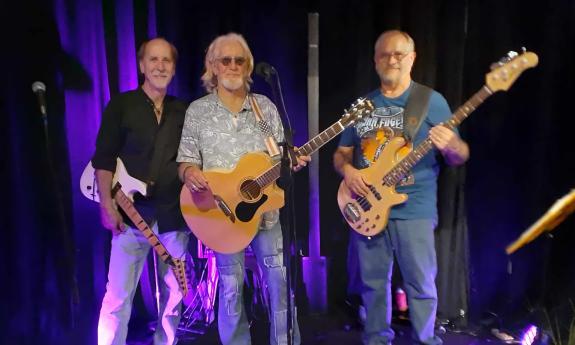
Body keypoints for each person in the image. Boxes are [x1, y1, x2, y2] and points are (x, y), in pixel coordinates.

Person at [333, 30, 470, 345]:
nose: (391, 60)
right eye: (384, 54)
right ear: (375, 60)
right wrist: (349, 170)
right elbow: (341, 154)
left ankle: (425, 340)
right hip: (367, 205)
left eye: (398, 54)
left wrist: (451, 146)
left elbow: (459, 156)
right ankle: (376, 339)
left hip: (415, 207)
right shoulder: (362, 106)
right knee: (373, 284)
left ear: (412, 59)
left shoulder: (430, 102)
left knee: (420, 285)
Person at [177, 32, 309, 345]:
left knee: (279, 284)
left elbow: (279, 156)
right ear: (213, 66)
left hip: (266, 215)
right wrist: (190, 173)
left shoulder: (264, 108)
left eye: (240, 60)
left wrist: (292, 162)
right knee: (230, 288)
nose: (233, 66)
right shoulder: (198, 111)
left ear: (248, 67)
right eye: (226, 60)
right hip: (222, 216)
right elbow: (184, 162)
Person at [93, 37, 190, 345]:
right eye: (154, 59)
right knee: (117, 299)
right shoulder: (122, 105)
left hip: (174, 217)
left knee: (172, 301)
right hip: (130, 218)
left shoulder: (183, 111)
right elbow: (104, 157)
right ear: (141, 65)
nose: (160, 66)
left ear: (174, 68)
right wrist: (106, 204)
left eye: (166, 61)